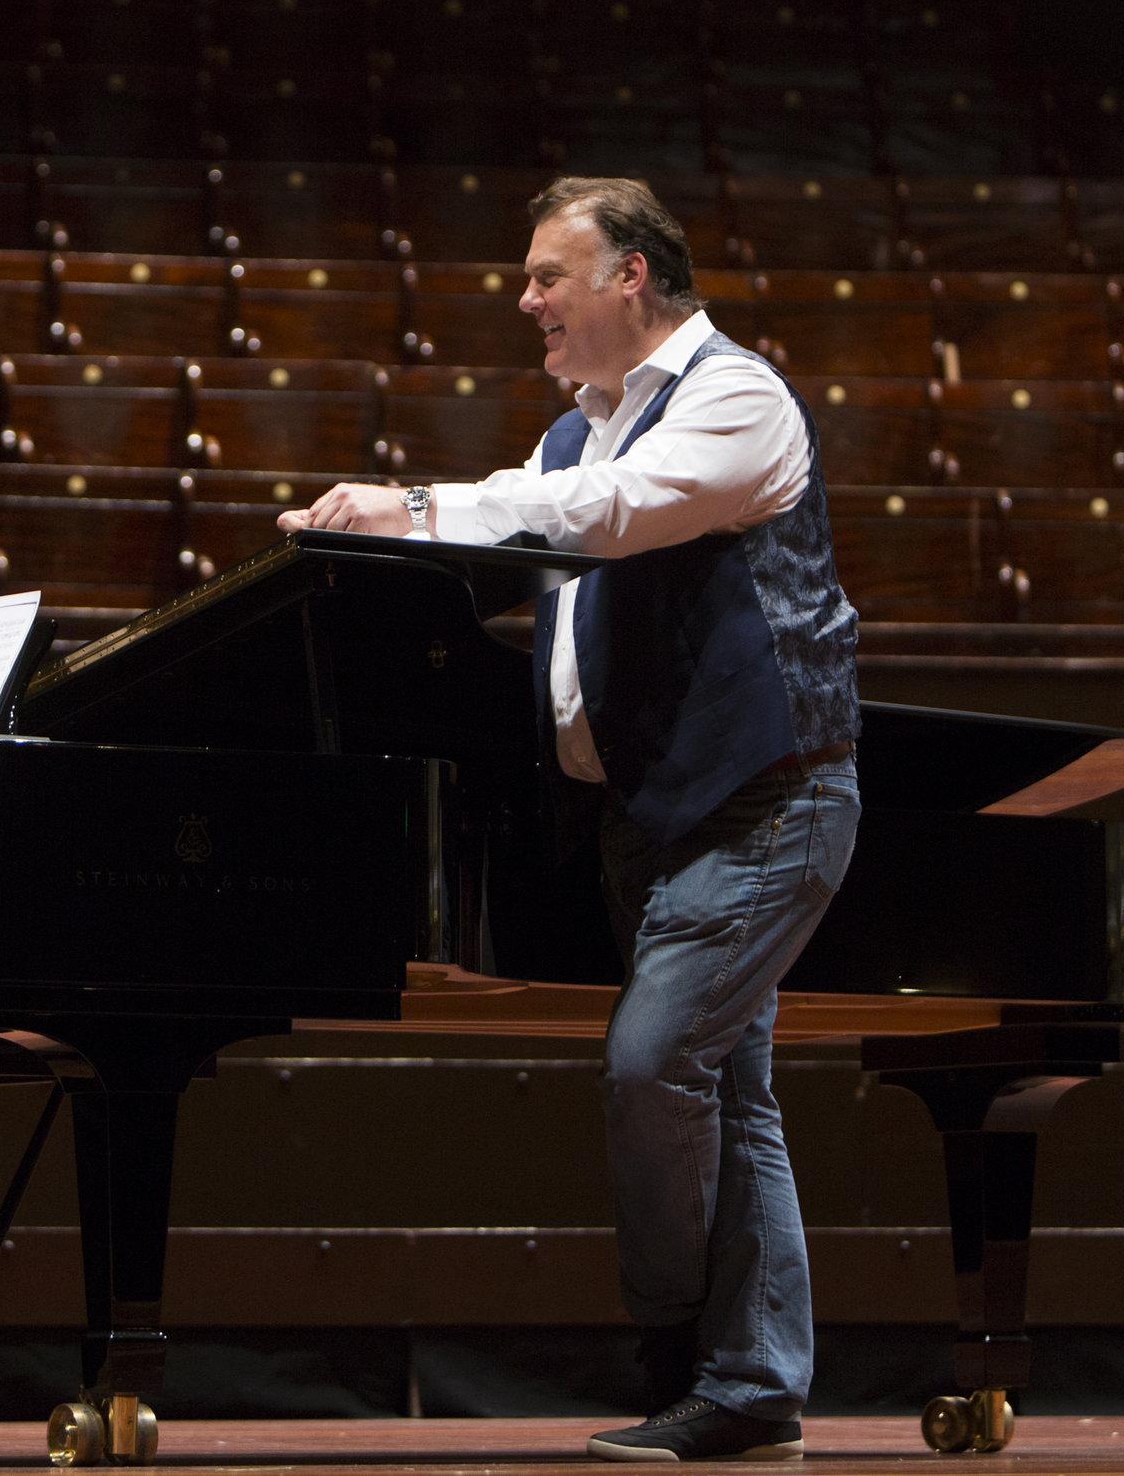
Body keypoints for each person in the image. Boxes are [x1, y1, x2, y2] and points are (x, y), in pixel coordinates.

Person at [280, 176, 860, 1462]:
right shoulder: (567, 436)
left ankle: (682, 1354)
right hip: (648, 814)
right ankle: (745, 1379)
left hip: (766, 796)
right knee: (728, 1085)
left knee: (654, 1061)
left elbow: (612, 518)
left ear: (632, 277)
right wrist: (374, 533)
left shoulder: (733, 399)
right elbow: (548, 503)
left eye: (550, 274)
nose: (527, 298)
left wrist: (416, 506)